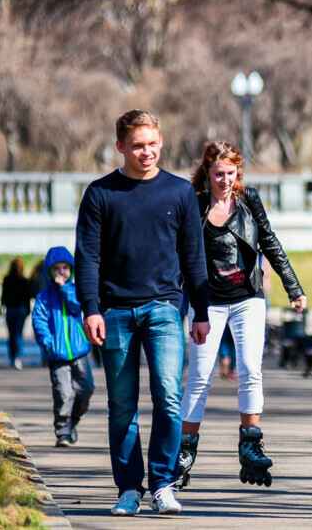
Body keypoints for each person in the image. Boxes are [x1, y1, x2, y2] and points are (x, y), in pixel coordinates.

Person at [75, 109, 211, 517]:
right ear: (120, 147)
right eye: (137, 145)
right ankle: (129, 488)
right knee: (122, 406)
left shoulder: (179, 193)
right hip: (115, 311)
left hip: (165, 310)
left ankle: (163, 483)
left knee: (169, 398)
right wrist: (91, 309)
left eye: (152, 144)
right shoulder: (101, 194)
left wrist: (201, 312)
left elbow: (193, 256)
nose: (146, 152)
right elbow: (88, 258)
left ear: (161, 142)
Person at [176, 140, 307, 490]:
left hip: (248, 298)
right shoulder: (195, 204)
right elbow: (183, 256)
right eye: (218, 174)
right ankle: (185, 450)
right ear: (207, 172)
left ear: (238, 173)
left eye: (230, 174)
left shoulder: (249, 201)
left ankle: (250, 445)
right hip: (208, 303)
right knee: (200, 376)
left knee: (251, 369)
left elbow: (270, 243)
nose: (224, 180)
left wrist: (294, 287)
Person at [31, 246, 94, 447]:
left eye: (65, 268)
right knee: (63, 393)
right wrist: (48, 343)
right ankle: (62, 432)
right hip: (57, 354)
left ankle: (72, 421)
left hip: (79, 351)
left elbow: (78, 307)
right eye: (56, 268)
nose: (61, 272)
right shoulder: (44, 297)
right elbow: (39, 322)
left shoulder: (76, 291)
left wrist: (65, 288)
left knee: (86, 389)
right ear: (49, 271)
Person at [0, 257, 32, 370]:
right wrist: (28, 310)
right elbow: (27, 297)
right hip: (21, 309)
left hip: (10, 309)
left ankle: (12, 356)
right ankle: (17, 357)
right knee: (18, 334)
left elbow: (3, 296)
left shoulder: (7, 279)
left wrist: (0, 309)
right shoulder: (24, 280)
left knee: (11, 334)